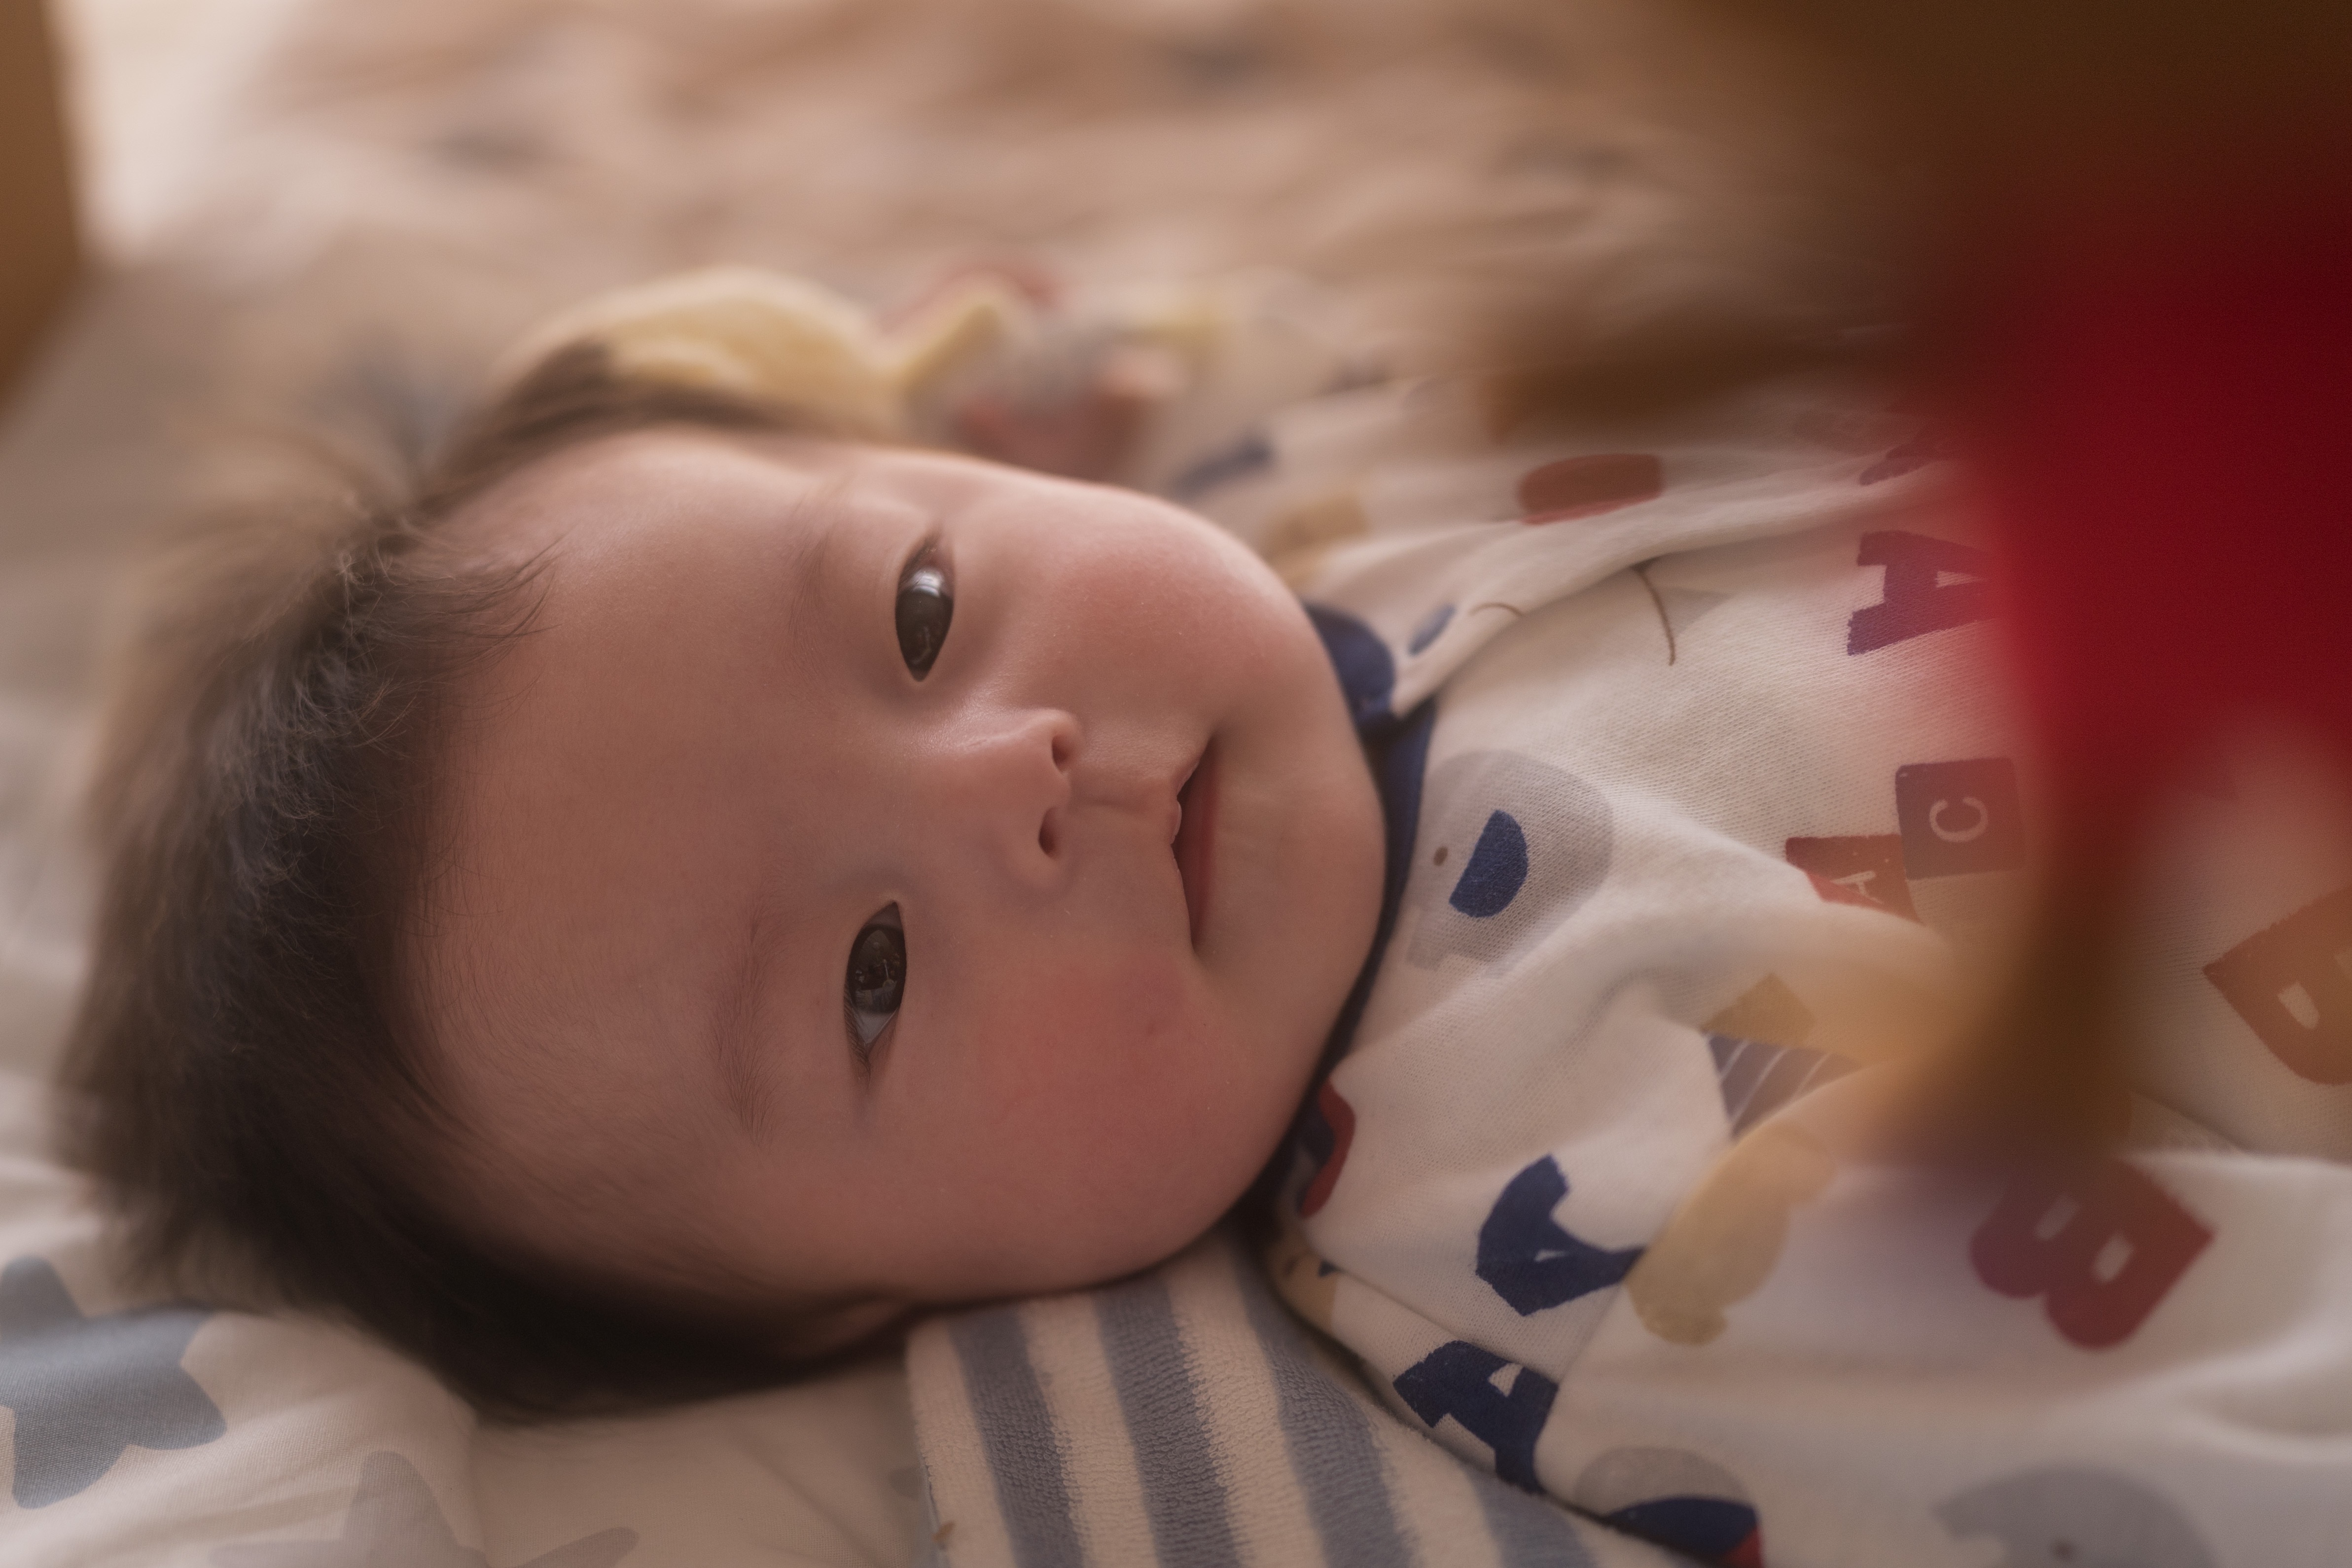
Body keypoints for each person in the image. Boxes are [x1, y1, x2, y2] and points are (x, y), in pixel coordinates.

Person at [63, 267, 2351, 1564]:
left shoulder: (1302, 481)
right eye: (870, 977)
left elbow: (984, 354)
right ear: (871, 1303)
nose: (1007, 778)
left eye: (921, 612)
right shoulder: (1573, 1224)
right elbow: (2221, 1429)